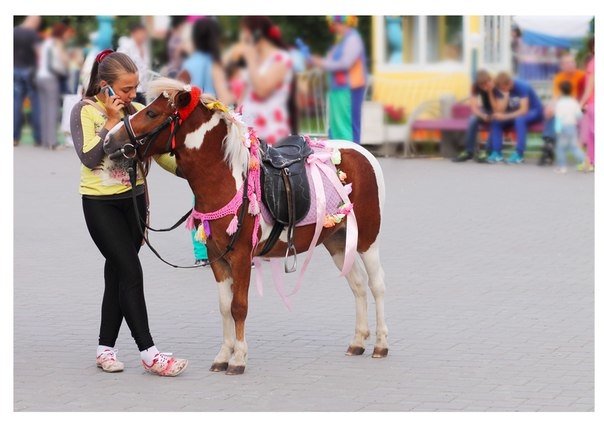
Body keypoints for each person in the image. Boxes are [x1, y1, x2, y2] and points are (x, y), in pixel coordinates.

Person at [70, 49, 188, 377]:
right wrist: (110, 121)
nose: (132, 95)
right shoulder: (86, 111)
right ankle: (150, 353)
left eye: (134, 87)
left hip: (134, 202)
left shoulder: (136, 111)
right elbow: (91, 158)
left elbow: (162, 156)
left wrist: (196, 174)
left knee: (117, 275)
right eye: (125, 89)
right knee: (131, 272)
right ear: (105, 86)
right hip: (100, 205)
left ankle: (104, 349)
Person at [180, 17, 234, 266]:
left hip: (191, 137)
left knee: (199, 192)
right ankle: (228, 241)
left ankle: (201, 250)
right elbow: (224, 98)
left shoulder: (189, 64)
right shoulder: (215, 64)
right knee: (227, 189)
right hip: (215, 136)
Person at [238, 16, 296, 145]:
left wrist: (251, 60)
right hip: (247, 130)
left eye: (246, 37)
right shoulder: (255, 59)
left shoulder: (281, 59)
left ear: (256, 34)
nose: (243, 42)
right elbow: (246, 94)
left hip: (270, 134)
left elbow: (262, 90)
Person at [311, 16, 367, 143]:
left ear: (344, 23)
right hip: (338, 88)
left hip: (350, 88)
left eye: (336, 24)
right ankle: (338, 154)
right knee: (337, 124)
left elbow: (345, 63)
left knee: (347, 124)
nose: (334, 27)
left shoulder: (353, 39)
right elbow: (332, 60)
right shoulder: (342, 41)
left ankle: (351, 153)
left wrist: (323, 63)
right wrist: (320, 62)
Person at [487, 72, 543, 164]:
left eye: (504, 88)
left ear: (510, 83)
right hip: (516, 113)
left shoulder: (522, 86)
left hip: (534, 111)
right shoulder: (503, 89)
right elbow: (500, 110)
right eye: (501, 89)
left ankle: (519, 154)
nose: (503, 91)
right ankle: (497, 153)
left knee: (519, 119)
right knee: (496, 120)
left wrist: (504, 116)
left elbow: (523, 110)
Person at [539, 53, 585, 165]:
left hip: (581, 107)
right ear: (562, 65)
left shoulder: (582, 75)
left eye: (572, 62)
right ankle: (549, 142)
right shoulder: (559, 77)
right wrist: (551, 107)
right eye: (567, 63)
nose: (571, 64)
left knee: (558, 111)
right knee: (551, 111)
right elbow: (556, 96)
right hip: (566, 108)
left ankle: (549, 144)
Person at [36, 22, 69, 150]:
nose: (67, 37)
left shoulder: (47, 42)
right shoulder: (57, 43)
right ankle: (52, 142)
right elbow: (62, 61)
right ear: (61, 34)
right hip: (51, 78)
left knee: (44, 111)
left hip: (40, 76)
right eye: (66, 34)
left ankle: (45, 140)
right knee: (52, 111)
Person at [453, 69, 497, 162]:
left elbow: (499, 107)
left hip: (498, 110)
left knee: (496, 121)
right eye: (481, 85)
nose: (484, 86)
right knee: (472, 119)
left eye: (485, 84)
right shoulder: (475, 86)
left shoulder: (496, 84)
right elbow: (474, 108)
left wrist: (490, 91)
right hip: (485, 110)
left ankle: (486, 151)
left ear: (489, 80)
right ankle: (469, 151)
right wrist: (483, 115)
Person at [14, 16, 42, 147]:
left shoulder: (14, 31)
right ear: (34, 22)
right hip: (30, 72)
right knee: (35, 104)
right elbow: (39, 53)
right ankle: (37, 138)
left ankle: (14, 137)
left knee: (16, 104)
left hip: (15, 70)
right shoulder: (32, 34)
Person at [553, 81, 585, 173]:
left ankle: (562, 167)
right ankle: (585, 162)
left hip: (563, 127)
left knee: (560, 148)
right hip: (572, 127)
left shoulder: (559, 103)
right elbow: (579, 116)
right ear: (571, 90)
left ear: (561, 91)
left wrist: (557, 129)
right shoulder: (574, 102)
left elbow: (558, 117)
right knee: (574, 147)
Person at [117, 23, 150, 104]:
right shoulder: (126, 46)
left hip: (143, 89)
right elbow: (119, 63)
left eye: (144, 33)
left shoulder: (145, 48)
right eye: (141, 33)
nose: (143, 36)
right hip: (129, 87)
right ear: (134, 33)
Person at [579, 37, 595, 171]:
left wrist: (580, 104)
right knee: (591, 134)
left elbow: (589, 88)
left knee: (592, 134)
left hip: (593, 104)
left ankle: (591, 162)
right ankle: (590, 161)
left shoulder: (594, 64)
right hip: (592, 103)